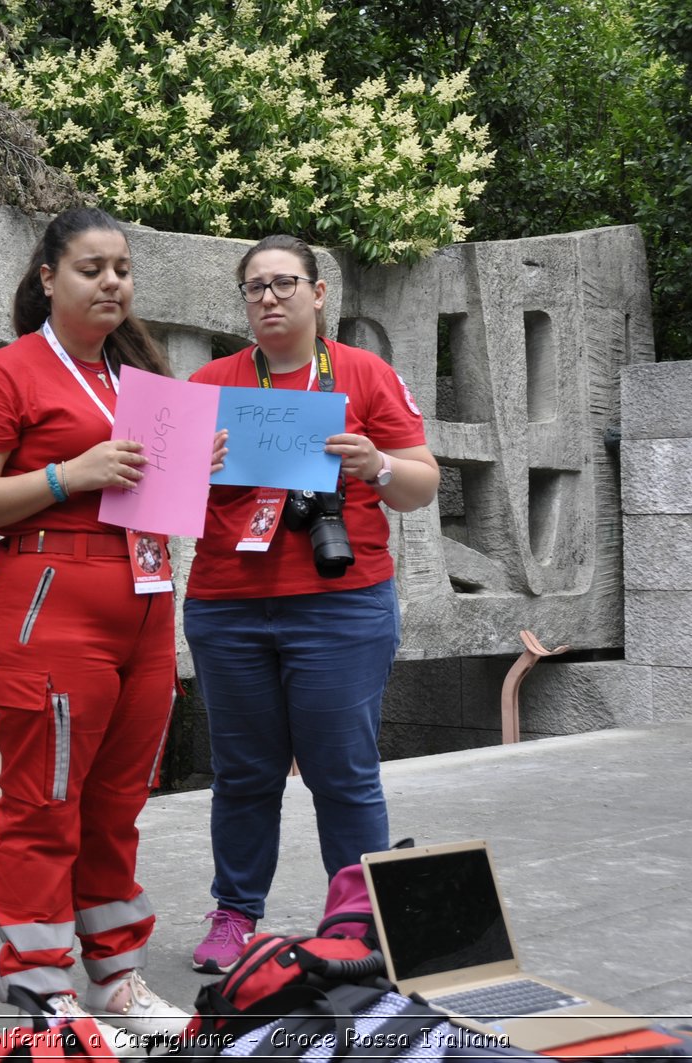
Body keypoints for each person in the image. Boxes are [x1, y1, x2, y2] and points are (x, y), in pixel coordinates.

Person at [0, 206, 191, 1047]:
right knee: (45, 798)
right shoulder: (3, 374)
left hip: (147, 596)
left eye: (121, 267)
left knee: (119, 799)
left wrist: (194, 465)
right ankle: (42, 984)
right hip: (54, 593)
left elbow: (155, 495)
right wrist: (65, 473)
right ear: (48, 277)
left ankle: (116, 976)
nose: (112, 281)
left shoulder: (140, 379)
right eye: (92, 267)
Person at [184, 234, 439, 975]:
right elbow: (154, 496)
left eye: (284, 282)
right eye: (255, 287)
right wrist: (193, 469)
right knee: (242, 772)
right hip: (229, 605)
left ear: (319, 293)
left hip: (340, 604)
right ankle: (234, 914)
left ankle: (357, 922)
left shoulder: (364, 374)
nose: (269, 297)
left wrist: (378, 463)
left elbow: (420, 485)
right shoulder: (211, 384)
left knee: (344, 771)